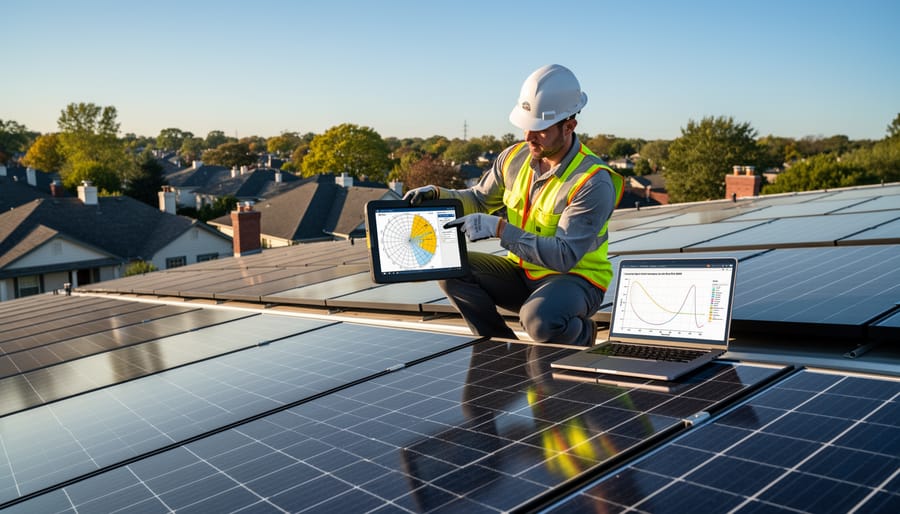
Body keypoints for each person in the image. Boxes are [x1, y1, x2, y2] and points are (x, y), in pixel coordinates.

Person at [404, 64, 623, 346]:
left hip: (575, 280)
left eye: (540, 129)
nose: (528, 137)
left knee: (539, 320)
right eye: (526, 127)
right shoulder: (513, 158)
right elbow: (479, 199)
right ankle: (500, 349)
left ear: (569, 126)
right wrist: (437, 194)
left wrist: (499, 229)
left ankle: (581, 334)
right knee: (449, 267)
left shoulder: (593, 181)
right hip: (521, 274)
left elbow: (564, 256)